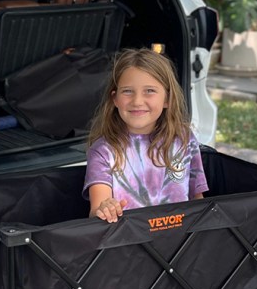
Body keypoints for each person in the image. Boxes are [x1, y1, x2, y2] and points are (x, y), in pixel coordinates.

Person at [84, 48, 208, 222]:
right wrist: (105, 209)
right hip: (127, 244)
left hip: (181, 244)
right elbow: (97, 208)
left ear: (167, 99)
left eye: (149, 91)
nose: (137, 101)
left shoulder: (184, 138)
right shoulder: (103, 150)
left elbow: (198, 200)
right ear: (115, 99)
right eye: (127, 91)